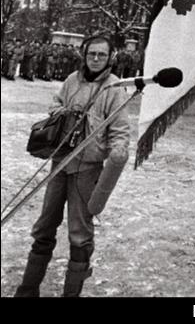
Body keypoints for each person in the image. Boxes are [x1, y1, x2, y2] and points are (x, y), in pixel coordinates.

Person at [14, 34, 130, 298]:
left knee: (79, 235)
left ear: (110, 57)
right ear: (84, 55)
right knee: (44, 227)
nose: (96, 59)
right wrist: (61, 112)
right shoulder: (71, 80)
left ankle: (71, 294)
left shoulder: (115, 87)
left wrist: (118, 150)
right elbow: (55, 102)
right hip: (60, 163)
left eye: (102, 55)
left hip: (87, 170)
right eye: (92, 54)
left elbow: (120, 130)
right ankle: (27, 290)